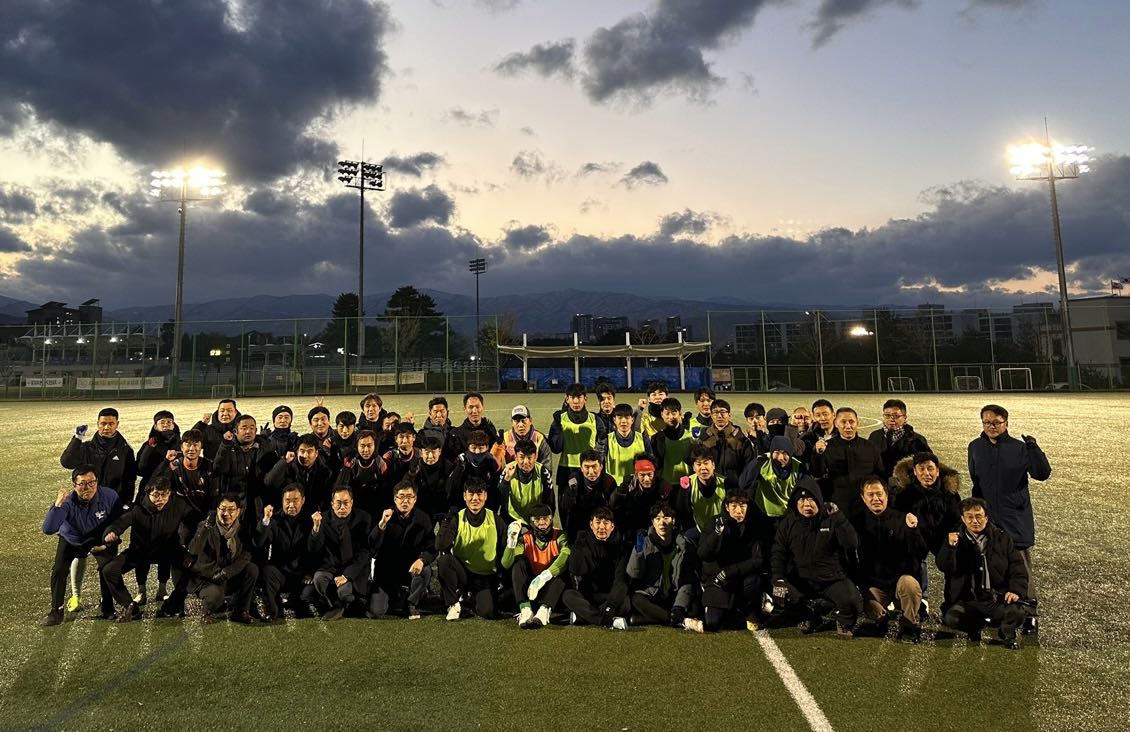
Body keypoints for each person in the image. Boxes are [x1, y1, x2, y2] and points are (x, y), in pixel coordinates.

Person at [967, 404, 1050, 632]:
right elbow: (976, 480)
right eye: (987, 422)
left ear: (1006, 423)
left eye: (996, 422)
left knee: (1020, 565)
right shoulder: (975, 447)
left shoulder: (1020, 448)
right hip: (989, 518)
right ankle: (999, 611)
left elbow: (1042, 473)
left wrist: (1034, 449)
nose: (991, 426)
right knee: (990, 563)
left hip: (1015, 517)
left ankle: (1029, 613)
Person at [770, 477, 863, 637]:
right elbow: (778, 553)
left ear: (819, 500)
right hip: (802, 580)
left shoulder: (832, 518)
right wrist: (778, 578)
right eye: (802, 500)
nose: (807, 504)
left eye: (811, 499)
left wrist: (839, 518)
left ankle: (843, 620)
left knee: (852, 601)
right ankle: (809, 616)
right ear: (795, 503)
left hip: (831, 579)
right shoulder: (788, 523)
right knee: (779, 592)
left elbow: (852, 543)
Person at [937, 497, 1030, 649]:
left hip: (996, 599)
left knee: (1017, 612)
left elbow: (1018, 567)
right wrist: (950, 547)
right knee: (953, 618)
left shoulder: (1002, 538)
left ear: (986, 518)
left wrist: (1015, 591)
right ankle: (975, 627)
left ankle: (1006, 633)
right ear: (963, 519)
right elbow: (944, 566)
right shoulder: (954, 539)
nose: (975, 521)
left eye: (979, 516)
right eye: (969, 517)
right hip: (968, 601)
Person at [100, 477, 193, 622]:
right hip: (140, 551)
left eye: (164, 494)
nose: (160, 499)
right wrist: (111, 532)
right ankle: (130, 606)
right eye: (156, 495)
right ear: (148, 494)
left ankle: (174, 603)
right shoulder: (137, 508)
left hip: (168, 550)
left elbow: (193, 521)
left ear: (169, 493)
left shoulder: (179, 505)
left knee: (192, 565)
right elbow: (120, 523)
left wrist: (185, 539)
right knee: (109, 570)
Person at [41, 466, 124, 626]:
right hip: (72, 539)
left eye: (92, 482)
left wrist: (107, 544)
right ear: (74, 485)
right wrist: (57, 505)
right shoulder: (67, 502)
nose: (88, 487)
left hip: (99, 539)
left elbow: (119, 522)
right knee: (59, 570)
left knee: (107, 569)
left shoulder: (110, 496)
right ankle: (56, 611)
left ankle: (107, 607)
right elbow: (48, 529)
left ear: (97, 482)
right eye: (82, 484)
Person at [850, 476, 927, 642]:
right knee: (856, 598)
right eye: (870, 495)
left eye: (879, 494)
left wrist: (913, 530)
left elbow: (921, 552)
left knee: (910, 585)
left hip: (899, 582)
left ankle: (909, 625)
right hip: (874, 585)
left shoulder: (902, 518)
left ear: (886, 495)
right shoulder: (856, 522)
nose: (875, 499)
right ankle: (880, 620)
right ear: (863, 498)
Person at [890, 451, 962, 603]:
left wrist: (951, 541)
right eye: (921, 469)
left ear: (937, 471)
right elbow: (897, 517)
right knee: (911, 559)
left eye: (930, 469)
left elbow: (956, 519)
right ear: (915, 472)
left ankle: (952, 602)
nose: (926, 473)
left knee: (955, 561)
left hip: (942, 536)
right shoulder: (904, 494)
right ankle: (920, 600)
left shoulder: (949, 492)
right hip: (917, 536)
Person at [435, 479, 507, 621]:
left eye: (479, 494)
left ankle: (468, 597)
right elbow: (441, 546)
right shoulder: (457, 518)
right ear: (464, 496)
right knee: (444, 561)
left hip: (485, 577)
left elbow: (504, 550)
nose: (475, 498)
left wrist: (499, 577)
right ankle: (454, 604)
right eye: (471, 494)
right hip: (462, 573)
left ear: (485, 496)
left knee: (487, 611)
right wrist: (447, 521)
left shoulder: (495, 520)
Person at [186, 493, 259, 624]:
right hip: (208, 577)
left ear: (238, 511)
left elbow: (246, 555)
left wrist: (227, 573)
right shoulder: (206, 526)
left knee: (252, 569)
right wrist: (206, 528)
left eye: (231, 510)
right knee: (215, 596)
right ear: (217, 510)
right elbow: (194, 551)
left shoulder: (243, 528)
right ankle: (206, 612)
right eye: (223, 509)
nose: (227, 513)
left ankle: (241, 611)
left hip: (227, 574)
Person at [698, 489, 765, 631]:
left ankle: (751, 607)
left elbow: (758, 560)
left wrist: (730, 572)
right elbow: (703, 554)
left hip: (741, 578)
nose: (738, 511)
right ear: (727, 507)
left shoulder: (754, 526)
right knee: (713, 623)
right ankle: (735, 611)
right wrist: (716, 535)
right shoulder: (714, 522)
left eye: (742, 506)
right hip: (718, 579)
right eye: (734, 506)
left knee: (754, 581)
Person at [626, 502, 700, 631]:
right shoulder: (645, 542)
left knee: (694, 608)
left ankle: (649, 619)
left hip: (674, 595)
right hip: (653, 594)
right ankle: (676, 620)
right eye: (657, 518)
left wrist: (679, 606)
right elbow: (634, 574)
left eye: (666, 518)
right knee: (636, 599)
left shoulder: (685, 545)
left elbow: (688, 579)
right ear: (653, 522)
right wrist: (638, 552)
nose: (662, 523)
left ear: (673, 521)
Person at [368, 481, 435, 619]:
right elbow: (372, 546)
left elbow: (432, 546)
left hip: (410, 568)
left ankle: (411, 603)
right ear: (395, 499)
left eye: (409, 497)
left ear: (415, 499)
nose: (405, 501)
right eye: (401, 497)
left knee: (425, 570)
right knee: (376, 612)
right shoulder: (384, 515)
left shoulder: (423, 518)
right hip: (386, 571)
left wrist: (422, 560)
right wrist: (382, 525)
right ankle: (397, 596)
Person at [253, 483, 319, 622]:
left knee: (306, 600)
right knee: (267, 571)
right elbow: (259, 542)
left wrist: (311, 572)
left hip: (303, 574)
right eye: (287, 501)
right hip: (280, 572)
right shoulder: (274, 519)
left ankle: (296, 602)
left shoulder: (311, 520)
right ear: (282, 501)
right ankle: (273, 610)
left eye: (295, 500)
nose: (291, 505)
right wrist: (265, 520)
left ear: (303, 500)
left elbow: (315, 549)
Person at [502, 504, 571, 628]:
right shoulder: (525, 538)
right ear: (532, 522)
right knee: (519, 563)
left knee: (561, 569)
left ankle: (544, 610)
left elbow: (566, 554)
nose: (542, 522)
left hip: (552, 589)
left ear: (551, 519)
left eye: (546, 518)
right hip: (531, 590)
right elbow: (506, 564)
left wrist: (544, 577)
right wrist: (511, 542)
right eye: (538, 519)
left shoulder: (560, 536)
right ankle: (525, 609)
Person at [309, 487, 372, 620]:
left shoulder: (364, 518)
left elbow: (364, 553)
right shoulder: (322, 518)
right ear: (332, 504)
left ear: (352, 502)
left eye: (346, 503)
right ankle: (335, 604)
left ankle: (348, 603)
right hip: (330, 566)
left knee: (344, 592)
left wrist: (347, 575)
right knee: (318, 579)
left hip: (353, 568)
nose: (342, 507)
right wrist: (316, 528)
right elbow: (313, 549)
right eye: (338, 503)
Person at [562, 506, 630, 629]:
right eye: (597, 522)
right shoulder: (583, 542)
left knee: (625, 603)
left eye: (606, 523)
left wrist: (610, 605)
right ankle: (607, 620)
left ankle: (583, 617)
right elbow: (576, 570)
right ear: (591, 525)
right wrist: (578, 547)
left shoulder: (621, 547)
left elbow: (621, 580)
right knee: (568, 596)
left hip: (609, 595)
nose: (601, 527)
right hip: (589, 596)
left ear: (612, 526)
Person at [809, 407, 883, 515]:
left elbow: (880, 475)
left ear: (857, 423)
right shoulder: (826, 447)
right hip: (838, 505)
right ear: (836, 423)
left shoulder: (870, 447)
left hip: (866, 505)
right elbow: (817, 473)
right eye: (843, 422)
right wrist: (817, 454)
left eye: (851, 422)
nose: (848, 426)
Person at [60, 407, 137, 507]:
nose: (106, 427)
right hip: (88, 502)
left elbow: (130, 479)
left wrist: (127, 502)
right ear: (97, 424)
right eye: (103, 423)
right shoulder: (86, 448)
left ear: (117, 424)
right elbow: (66, 463)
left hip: (114, 502)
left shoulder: (126, 450)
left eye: (111, 424)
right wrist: (77, 439)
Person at [548, 383, 608, 493]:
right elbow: (556, 449)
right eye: (572, 397)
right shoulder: (560, 419)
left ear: (585, 398)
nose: (576, 401)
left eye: (579, 397)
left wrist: (596, 465)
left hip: (590, 469)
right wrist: (557, 426)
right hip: (566, 469)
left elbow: (603, 448)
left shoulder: (595, 419)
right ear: (567, 399)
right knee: (566, 503)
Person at [610, 455, 685, 539]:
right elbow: (613, 505)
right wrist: (621, 491)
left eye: (649, 474)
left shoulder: (664, 487)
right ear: (636, 474)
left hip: (656, 528)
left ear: (655, 473)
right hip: (633, 526)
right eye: (642, 475)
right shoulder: (630, 484)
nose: (646, 479)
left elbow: (672, 513)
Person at [264, 433, 336, 514]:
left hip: (313, 515)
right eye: (302, 451)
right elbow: (269, 482)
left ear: (316, 453)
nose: (305, 456)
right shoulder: (287, 467)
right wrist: (284, 462)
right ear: (297, 451)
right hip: (288, 513)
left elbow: (326, 499)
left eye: (309, 451)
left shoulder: (325, 472)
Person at [213, 413, 272, 508]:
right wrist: (225, 445)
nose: (248, 431)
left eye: (252, 428)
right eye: (244, 428)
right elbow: (218, 469)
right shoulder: (227, 447)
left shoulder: (266, 447)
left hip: (259, 502)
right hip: (234, 503)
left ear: (256, 430)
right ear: (235, 431)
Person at [559, 449, 618, 541]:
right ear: (581, 468)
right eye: (587, 467)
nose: (591, 472)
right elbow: (566, 509)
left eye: (594, 466)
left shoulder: (609, 482)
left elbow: (614, 512)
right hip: (579, 527)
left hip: (601, 526)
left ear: (601, 466)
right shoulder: (573, 481)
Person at [868, 399, 931, 480]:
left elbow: (928, 464)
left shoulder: (917, 440)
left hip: (905, 484)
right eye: (887, 415)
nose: (891, 419)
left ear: (905, 418)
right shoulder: (874, 436)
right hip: (880, 484)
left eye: (896, 416)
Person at [498, 438, 555, 526]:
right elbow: (500, 499)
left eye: (529, 458)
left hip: (536, 516)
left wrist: (545, 521)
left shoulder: (542, 471)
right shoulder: (508, 470)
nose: (526, 462)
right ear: (515, 457)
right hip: (513, 516)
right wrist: (507, 479)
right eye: (522, 457)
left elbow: (550, 500)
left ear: (535, 457)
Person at [697, 399, 752, 487]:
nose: (719, 416)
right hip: (710, 487)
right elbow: (694, 461)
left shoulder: (740, 438)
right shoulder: (704, 437)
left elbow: (748, 467)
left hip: (734, 488)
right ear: (711, 415)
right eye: (715, 412)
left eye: (723, 412)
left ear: (729, 415)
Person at [446, 429, 503, 512]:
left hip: (486, 505)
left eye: (481, 448)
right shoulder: (461, 461)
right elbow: (451, 487)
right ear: (468, 447)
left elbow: (496, 488)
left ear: (487, 447)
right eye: (474, 448)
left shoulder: (493, 462)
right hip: (462, 504)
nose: (477, 452)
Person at [336, 429, 388, 518]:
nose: (366, 450)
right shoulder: (351, 461)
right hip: (355, 503)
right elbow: (340, 486)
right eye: (362, 446)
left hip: (375, 502)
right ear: (357, 446)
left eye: (369, 446)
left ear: (375, 446)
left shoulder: (379, 462)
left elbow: (385, 488)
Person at [678, 443, 727, 537]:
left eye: (706, 463)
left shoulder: (725, 483)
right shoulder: (688, 483)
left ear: (713, 465)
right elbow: (683, 512)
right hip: (700, 529)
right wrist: (684, 492)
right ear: (693, 467)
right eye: (698, 464)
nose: (703, 468)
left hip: (722, 530)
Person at [135, 409, 180, 500]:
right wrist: (149, 449)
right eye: (162, 422)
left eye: (169, 422)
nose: (166, 425)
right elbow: (140, 470)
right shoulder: (149, 445)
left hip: (174, 488)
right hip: (151, 487)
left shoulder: (180, 445)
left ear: (174, 425)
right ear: (155, 426)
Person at [410, 434, 454, 522]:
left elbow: (453, 490)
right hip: (422, 507)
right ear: (421, 453)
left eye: (433, 452)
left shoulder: (448, 467)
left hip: (443, 507)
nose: (430, 456)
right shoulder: (415, 466)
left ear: (440, 452)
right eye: (427, 452)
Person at [606, 403, 651, 485]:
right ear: (614, 420)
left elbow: (650, 464)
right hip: (612, 486)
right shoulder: (606, 440)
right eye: (620, 418)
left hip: (636, 486)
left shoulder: (643, 439)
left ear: (632, 420)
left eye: (627, 418)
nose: (623, 421)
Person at [652, 397, 691, 484]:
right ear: (662, 415)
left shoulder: (690, 436)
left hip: (688, 483)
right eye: (667, 413)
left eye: (674, 413)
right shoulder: (657, 438)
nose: (670, 417)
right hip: (665, 484)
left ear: (680, 413)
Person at [449, 392, 499, 457]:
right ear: (465, 409)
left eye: (477, 407)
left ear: (482, 408)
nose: (474, 411)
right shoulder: (457, 434)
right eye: (471, 407)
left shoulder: (490, 430)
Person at [419, 396, 457, 461]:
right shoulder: (422, 434)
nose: (439, 415)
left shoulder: (454, 431)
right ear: (430, 414)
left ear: (447, 413)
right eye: (435, 412)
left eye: (442, 411)